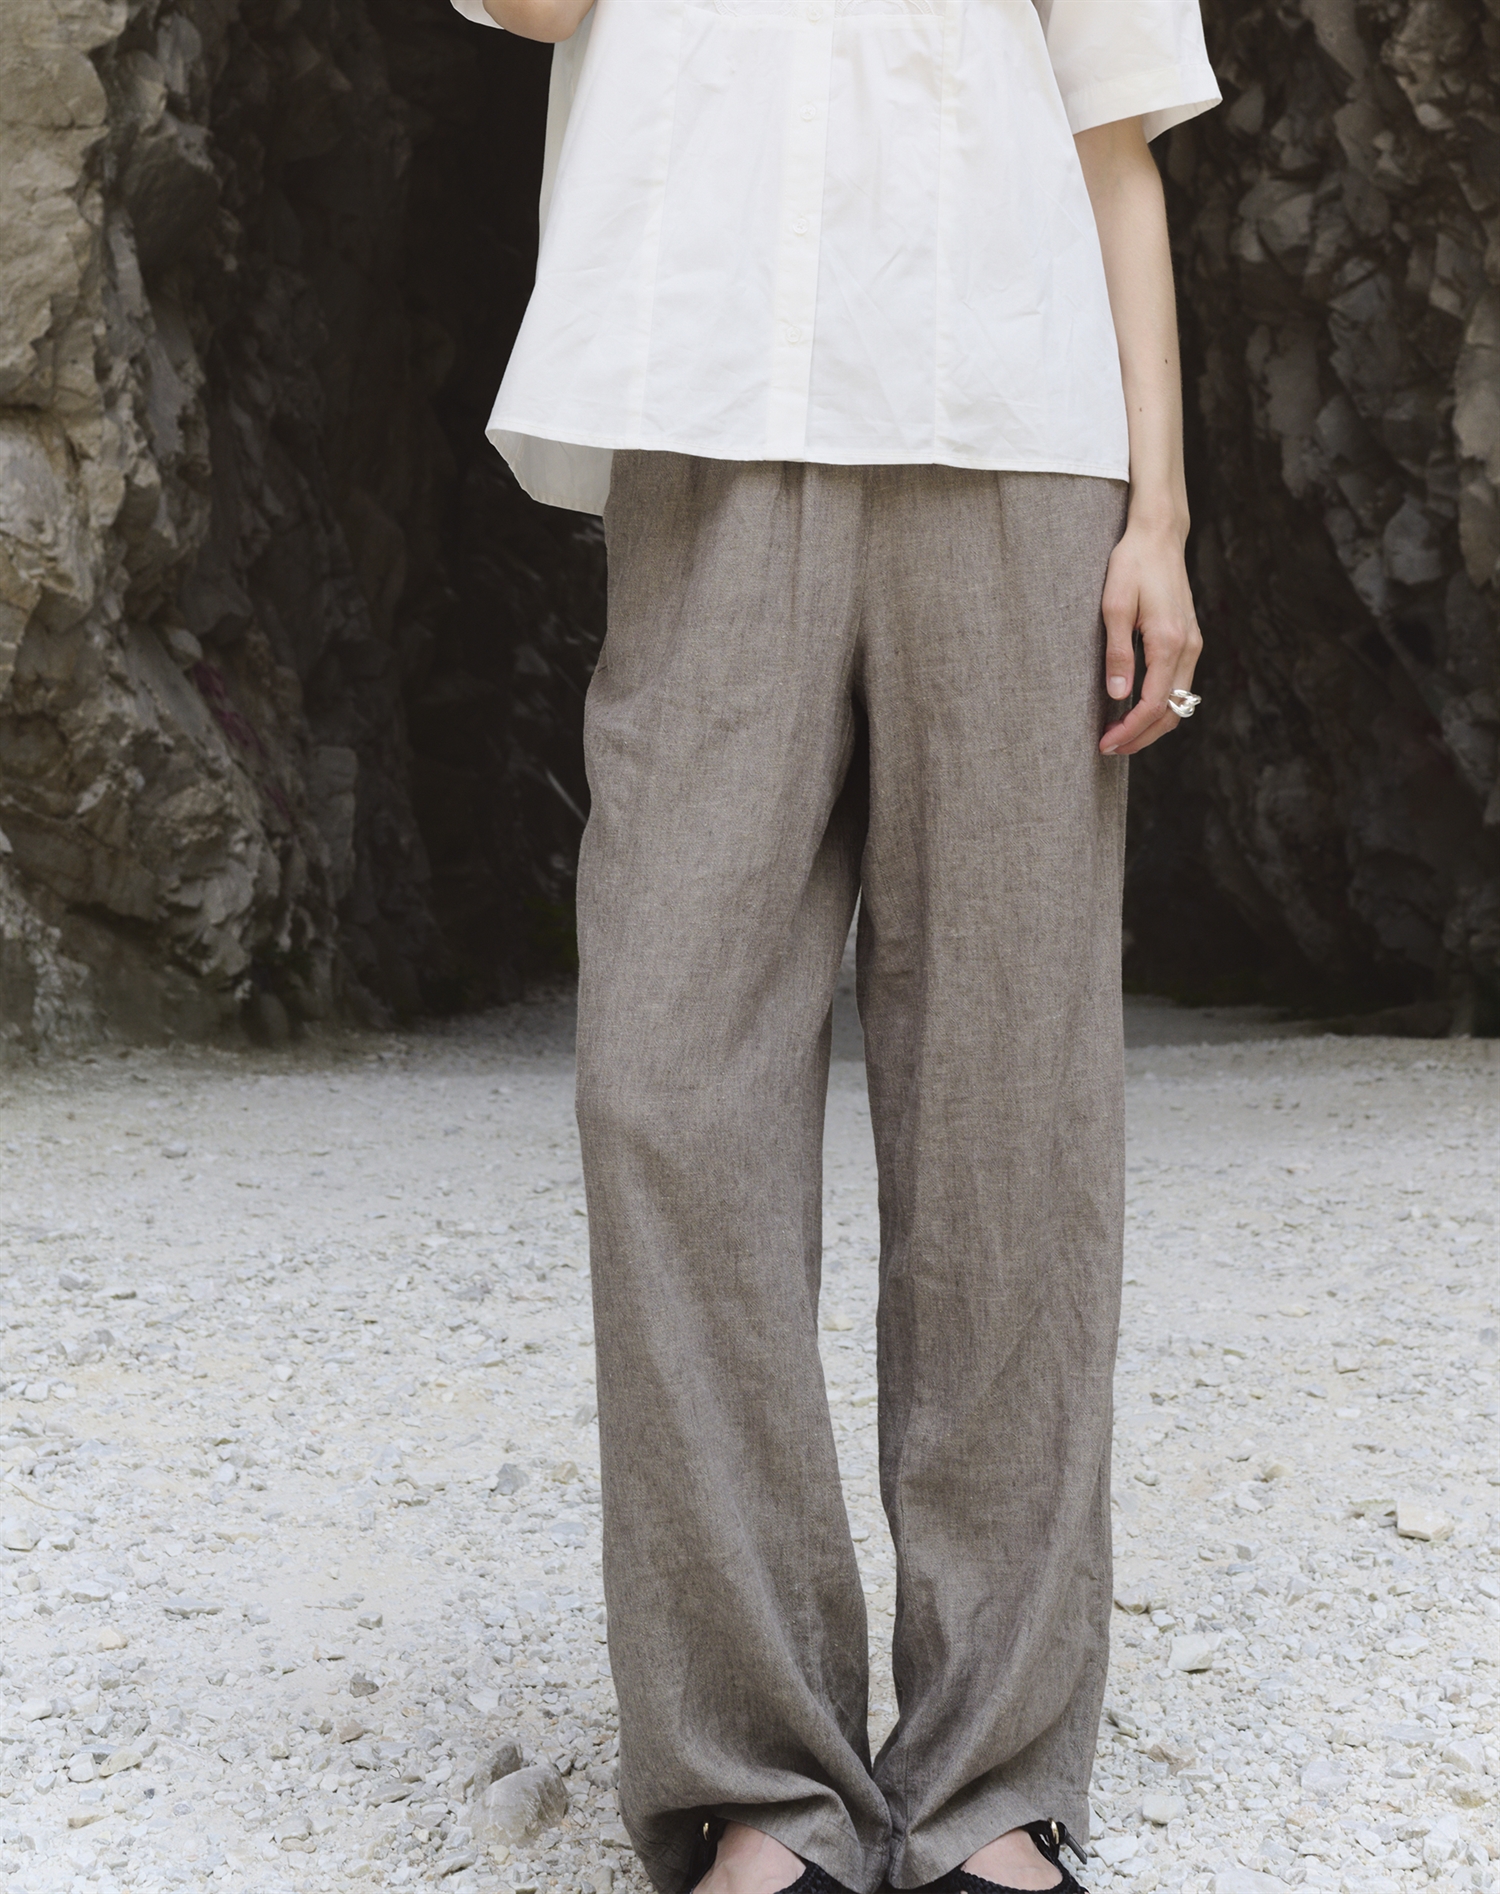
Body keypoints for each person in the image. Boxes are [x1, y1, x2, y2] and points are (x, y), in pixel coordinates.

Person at [448, 0, 1218, 1889]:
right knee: (663, 1087)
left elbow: (1116, 137)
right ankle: (757, 1780)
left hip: (1015, 427)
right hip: (710, 419)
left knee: (1009, 1110)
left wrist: (1162, 517)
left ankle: (993, 1779)